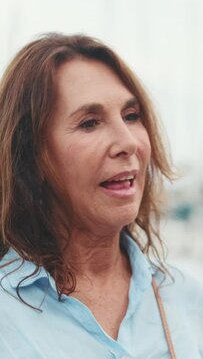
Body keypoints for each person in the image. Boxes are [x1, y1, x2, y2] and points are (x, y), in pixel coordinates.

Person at [0, 33, 202, 359]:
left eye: (132, 116)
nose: (128, 143)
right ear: (32, 156)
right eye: (90, 123)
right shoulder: (7, 317)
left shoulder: (187, 299)